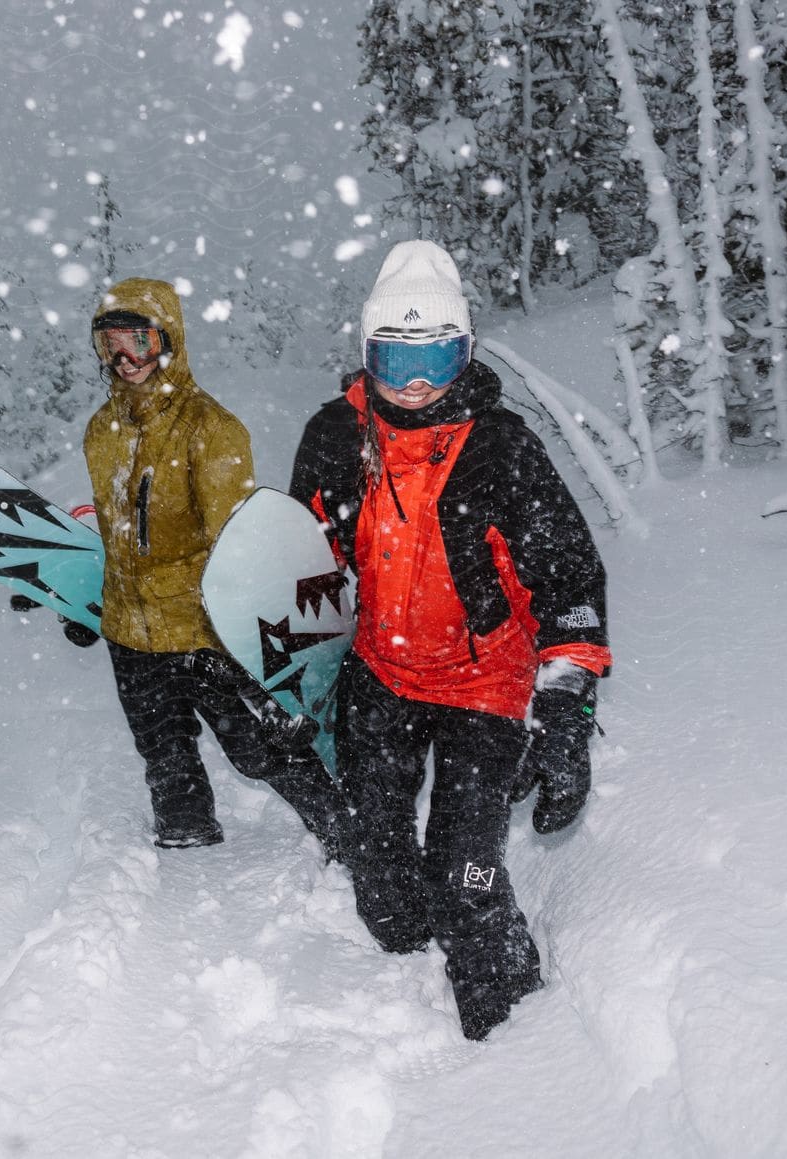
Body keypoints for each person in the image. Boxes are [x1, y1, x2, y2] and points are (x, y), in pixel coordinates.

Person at [289, 241, 611, 1041]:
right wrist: (291, 673)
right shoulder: (336, 437)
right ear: (369, 357)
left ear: (464, 351)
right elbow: (303, 567)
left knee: (466, 874)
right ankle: (407, 925)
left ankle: (514, 1041)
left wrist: (566, 710)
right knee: (385, 886)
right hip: (381, 672)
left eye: (436, 356)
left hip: (484, 684)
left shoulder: (502, 447)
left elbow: (569, 579)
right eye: (397, 362)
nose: (418, 382)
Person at [81, 277, 362, 867]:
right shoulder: (101, 431)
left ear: (169, 341)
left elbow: (238, 543)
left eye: (140, 341)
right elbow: (119, 531)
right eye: (112, 344)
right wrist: (87, 602)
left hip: (203, 628)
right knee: (160, 744)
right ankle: (187, 843)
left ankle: (348, 835)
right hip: (131, 628)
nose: (127, 359)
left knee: (259, 749)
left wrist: (249, 646)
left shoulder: (211, 429)